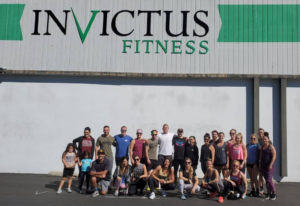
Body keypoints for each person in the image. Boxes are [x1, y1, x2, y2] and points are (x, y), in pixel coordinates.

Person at [260, 134, 277, 200]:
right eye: (263, 139)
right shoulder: (262, 147)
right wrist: (260, 164)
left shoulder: (271, 147)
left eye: (265, 139)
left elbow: (274, 156)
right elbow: (261, 157)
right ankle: (268, 193)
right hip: (263, 166)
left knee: (269, 180)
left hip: (270, 166)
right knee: (266, 181)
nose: (264, 140)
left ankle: (274, 194)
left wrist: (271, 164)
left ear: (268, 140)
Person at [257, 128, 272, 195]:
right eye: (259, 132)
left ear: (264, 133)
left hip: (267, 161)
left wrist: (271, 162)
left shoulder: (268, 141)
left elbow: (271, 152)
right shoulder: (256, 140)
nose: (260, 133)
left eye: (262, 132)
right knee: (260, 175)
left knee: (267, 177)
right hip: (259, 160)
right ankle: (261, 188)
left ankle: (269, 189)